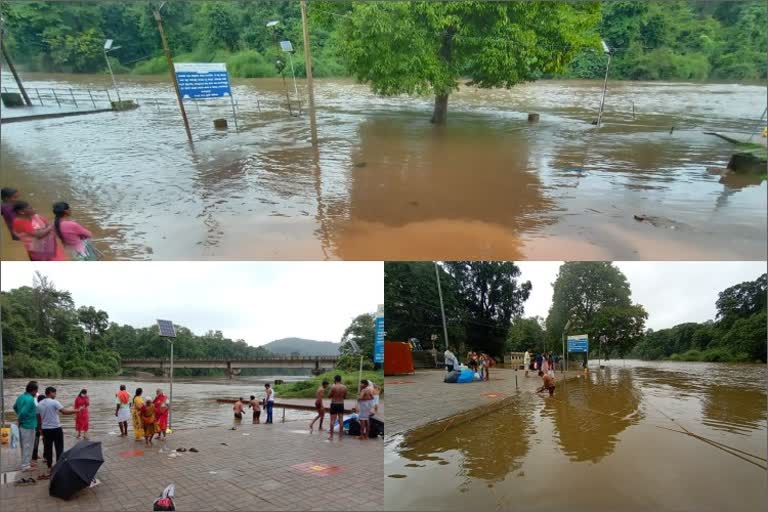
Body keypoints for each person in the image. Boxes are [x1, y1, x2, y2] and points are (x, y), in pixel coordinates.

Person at [37, 387, 82, 480]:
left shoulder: (39, 404)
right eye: (54, 393)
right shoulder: (54, 402)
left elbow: (38, 418)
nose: (55, 395)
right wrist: (77, 410)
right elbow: (64, 412)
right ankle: (59, 466)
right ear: (50, 393)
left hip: (46, 429)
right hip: (56, 428)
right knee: (59, 447)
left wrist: (40, 429)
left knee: (48, 448)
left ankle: (49, 467)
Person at [12, 381, 39, 474]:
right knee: (28, 446)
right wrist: (20, 420)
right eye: (36, 391)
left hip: (24, 425)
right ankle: (25, 466)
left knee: (24, 445)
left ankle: (26, 463)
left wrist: (19, 417)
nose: (36, 393)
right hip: (28, 425)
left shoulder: (21, 397)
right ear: (34, 390)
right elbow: (23, 412)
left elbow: (14, 407)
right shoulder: (30, 399)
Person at [31, 394, 45, 465]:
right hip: (40, 426)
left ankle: (34, 457)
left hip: (36, 426)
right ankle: (44, 456)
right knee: (44, 441)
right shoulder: (42, 407)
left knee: (36, 442)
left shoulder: (36, 407)